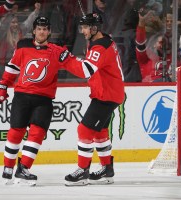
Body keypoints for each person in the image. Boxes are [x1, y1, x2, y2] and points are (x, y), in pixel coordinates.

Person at [0, 16, 89, 186]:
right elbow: (13, 67)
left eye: (45, 29)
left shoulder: (57, 51)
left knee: (37, 133)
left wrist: (90, 63)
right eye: (39, 28)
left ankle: (23, 168)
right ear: (34, 30)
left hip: (44, 99)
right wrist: (3, 85)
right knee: (15, 132)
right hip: (22, 96)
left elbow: (78, 67)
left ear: (49, 32)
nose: (42, 31)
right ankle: (8, 167)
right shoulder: (23, 46)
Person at [64, 13, 125, 186]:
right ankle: (107, 169)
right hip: (109, 93)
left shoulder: (100, 47)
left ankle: (83, 171)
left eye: (85, 27)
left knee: (84, 130)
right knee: (99, 132)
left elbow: (86, 70)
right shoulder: (104, 41)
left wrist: (67, 60)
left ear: (94, 28)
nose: (82, 31)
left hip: (106, 96)